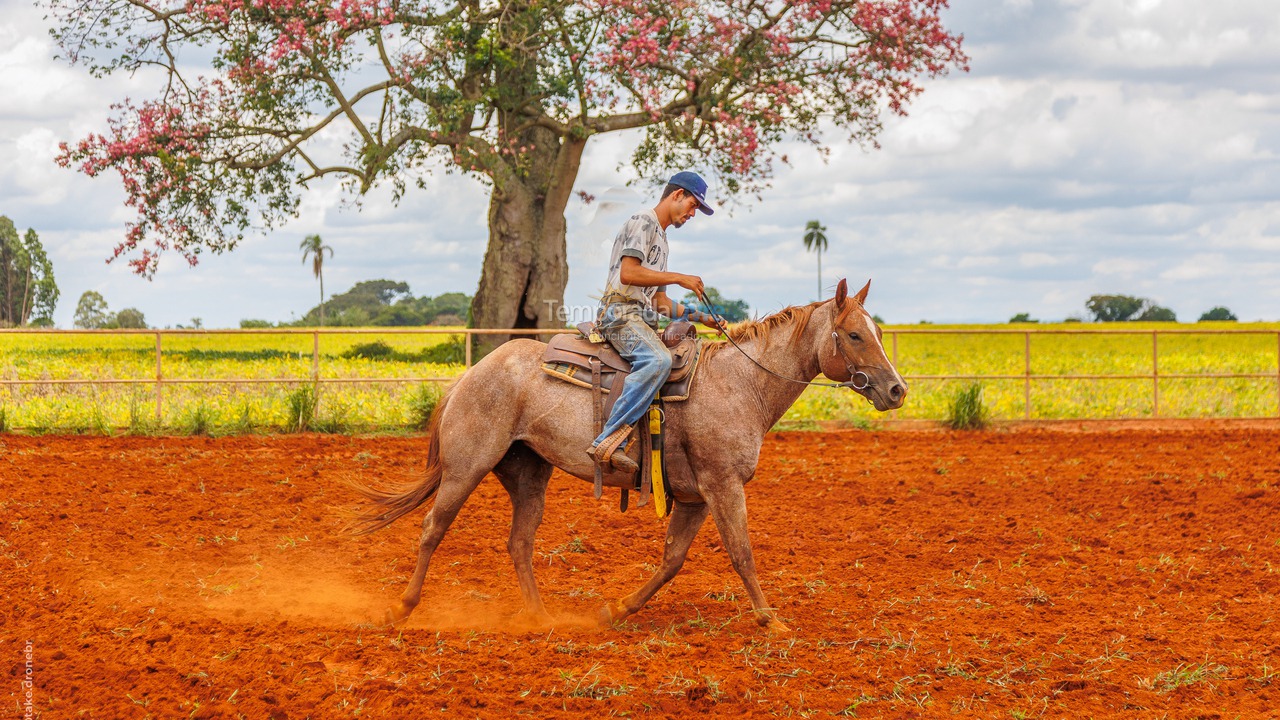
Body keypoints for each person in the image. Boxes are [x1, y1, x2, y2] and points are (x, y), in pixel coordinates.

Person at [587, 171, 727, 473]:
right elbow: (629, 273)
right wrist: (679, 276)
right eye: (692, 206)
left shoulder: (662, 241)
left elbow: (660, 303)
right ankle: (610, 439)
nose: (692, 214)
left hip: (641, 315)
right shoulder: (643, 222)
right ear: (677, 195)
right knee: (658, 360)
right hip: (619, 314)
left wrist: (704, 318)